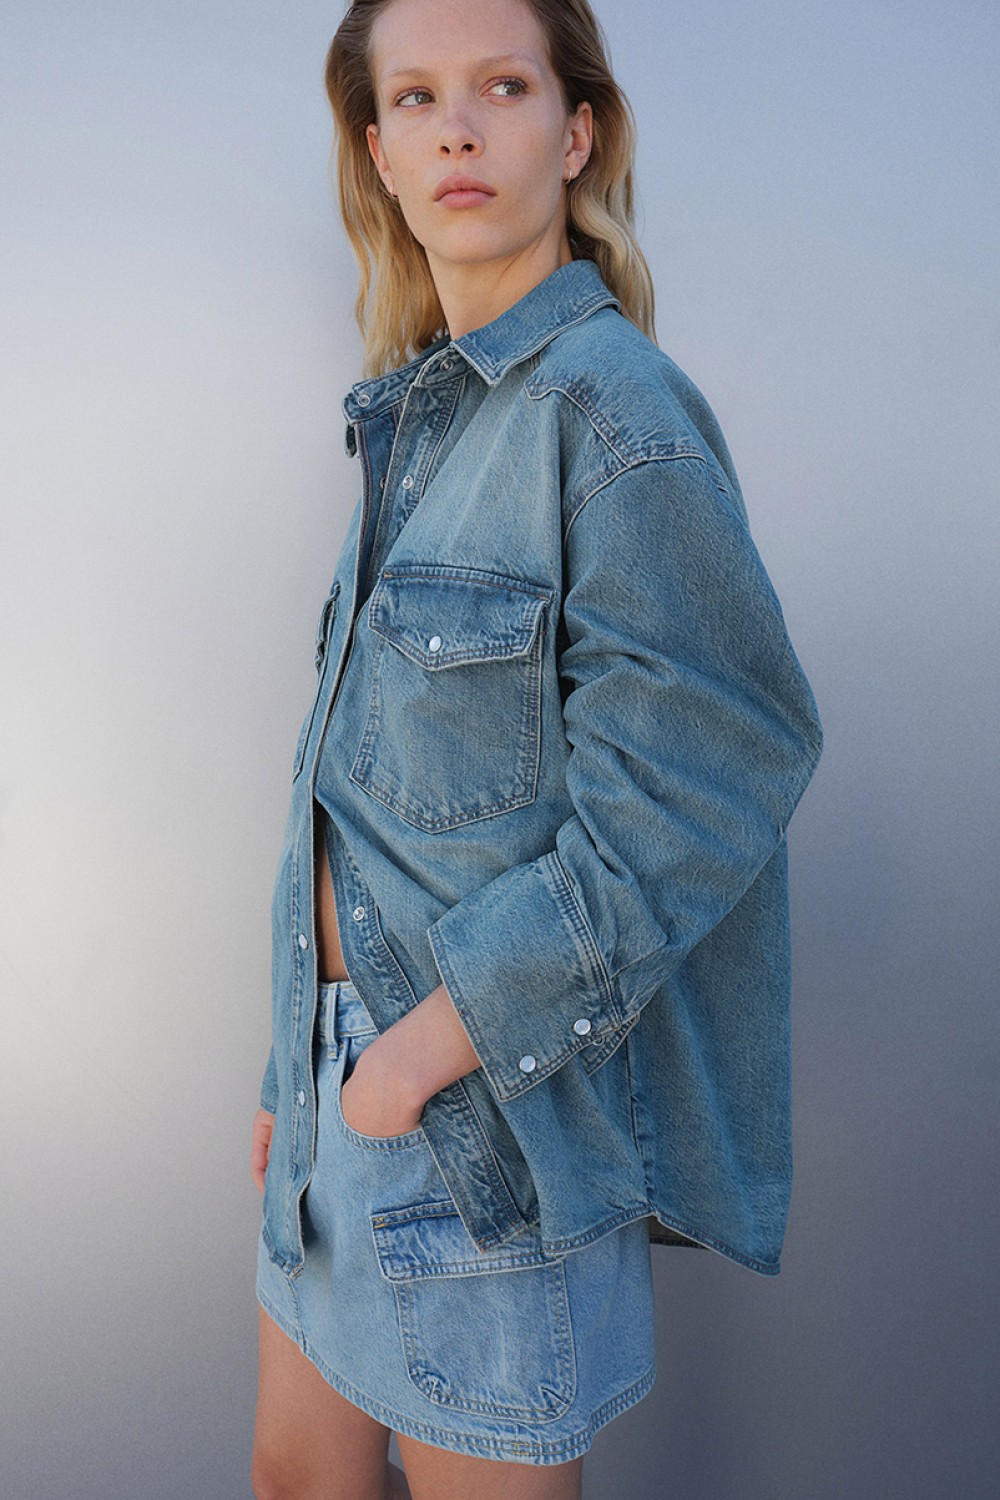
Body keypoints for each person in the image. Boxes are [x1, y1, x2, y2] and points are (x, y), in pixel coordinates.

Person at [249, 0, 823, 1495]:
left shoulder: (614, 409)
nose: (457, 128)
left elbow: (713, 768)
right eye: (416, 98)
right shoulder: (421, 422)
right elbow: (363, 794)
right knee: (296, 1482)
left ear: (576, 135)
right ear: (378, 152)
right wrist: (293, 1071)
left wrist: (418, 1055)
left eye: (502, 87)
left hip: (474, 1117)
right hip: (334, 1092)